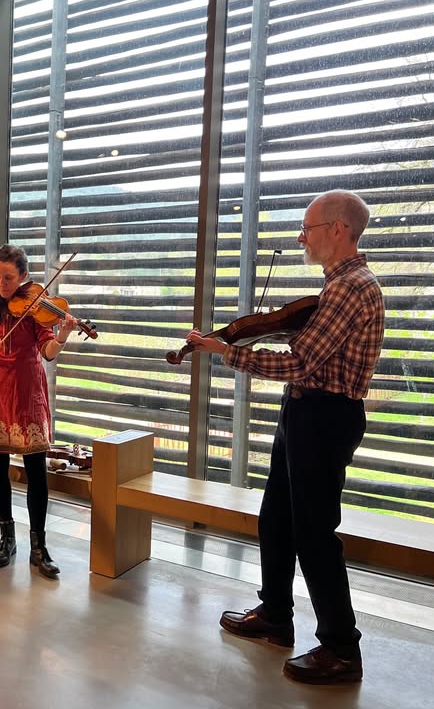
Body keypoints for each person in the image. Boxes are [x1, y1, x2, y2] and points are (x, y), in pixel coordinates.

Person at [184, 190, 384, 685]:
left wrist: (223, 350)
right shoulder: (335, 286)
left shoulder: (350, 288)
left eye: (308, 228)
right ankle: (275, 614)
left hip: (324, 415)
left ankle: (341, 648)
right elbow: (310, 350)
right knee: (276, 516)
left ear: (338, 229)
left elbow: (300, 362)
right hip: (304, 409)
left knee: (314, 532)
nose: (301, 237)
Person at [0, 244, 78, 579]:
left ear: (24, 277)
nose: (2, 283)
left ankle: (39, 546)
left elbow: (48, 351)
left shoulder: (35, 309)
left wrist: (63, 334)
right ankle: (7, 538)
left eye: (9, 277)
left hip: (26, 392)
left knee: (36, 469)